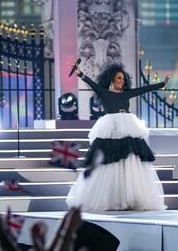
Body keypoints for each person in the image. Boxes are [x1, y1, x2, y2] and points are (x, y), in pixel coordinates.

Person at [66, 61, 169, 211]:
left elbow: (144, 89)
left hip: (127, 128)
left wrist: (162, 84)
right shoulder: (105, 92)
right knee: (110, 163)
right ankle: (112, 199)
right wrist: (79, 73)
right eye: (118, 78)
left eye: (123, 79)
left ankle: (129, 198)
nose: (121, 81)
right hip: (111, 129)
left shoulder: (127, 93)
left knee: (129, 160)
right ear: (112, 80)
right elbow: (92, 84)